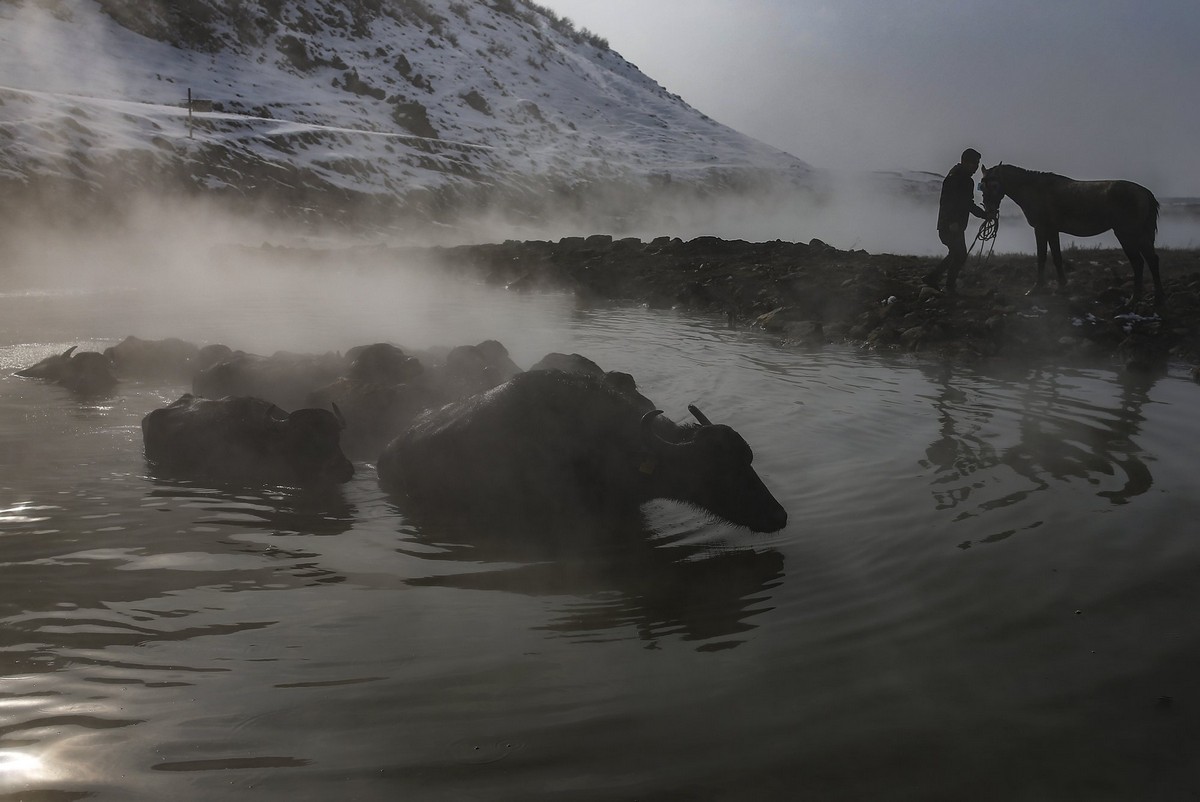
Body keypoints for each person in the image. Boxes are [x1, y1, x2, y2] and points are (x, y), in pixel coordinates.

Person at [925, 148, 993, 294]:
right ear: (965, 162)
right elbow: (956, 203)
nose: (975, 167)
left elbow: (963, 203)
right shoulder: (959, 179)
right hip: (951, 225)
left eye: (977, 164)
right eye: (974, 163)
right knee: (959, 254)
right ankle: (947, 285)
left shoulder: (957, 177)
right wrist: (952, 222)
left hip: (951, 225)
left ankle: (934, 279)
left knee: (956, 254)